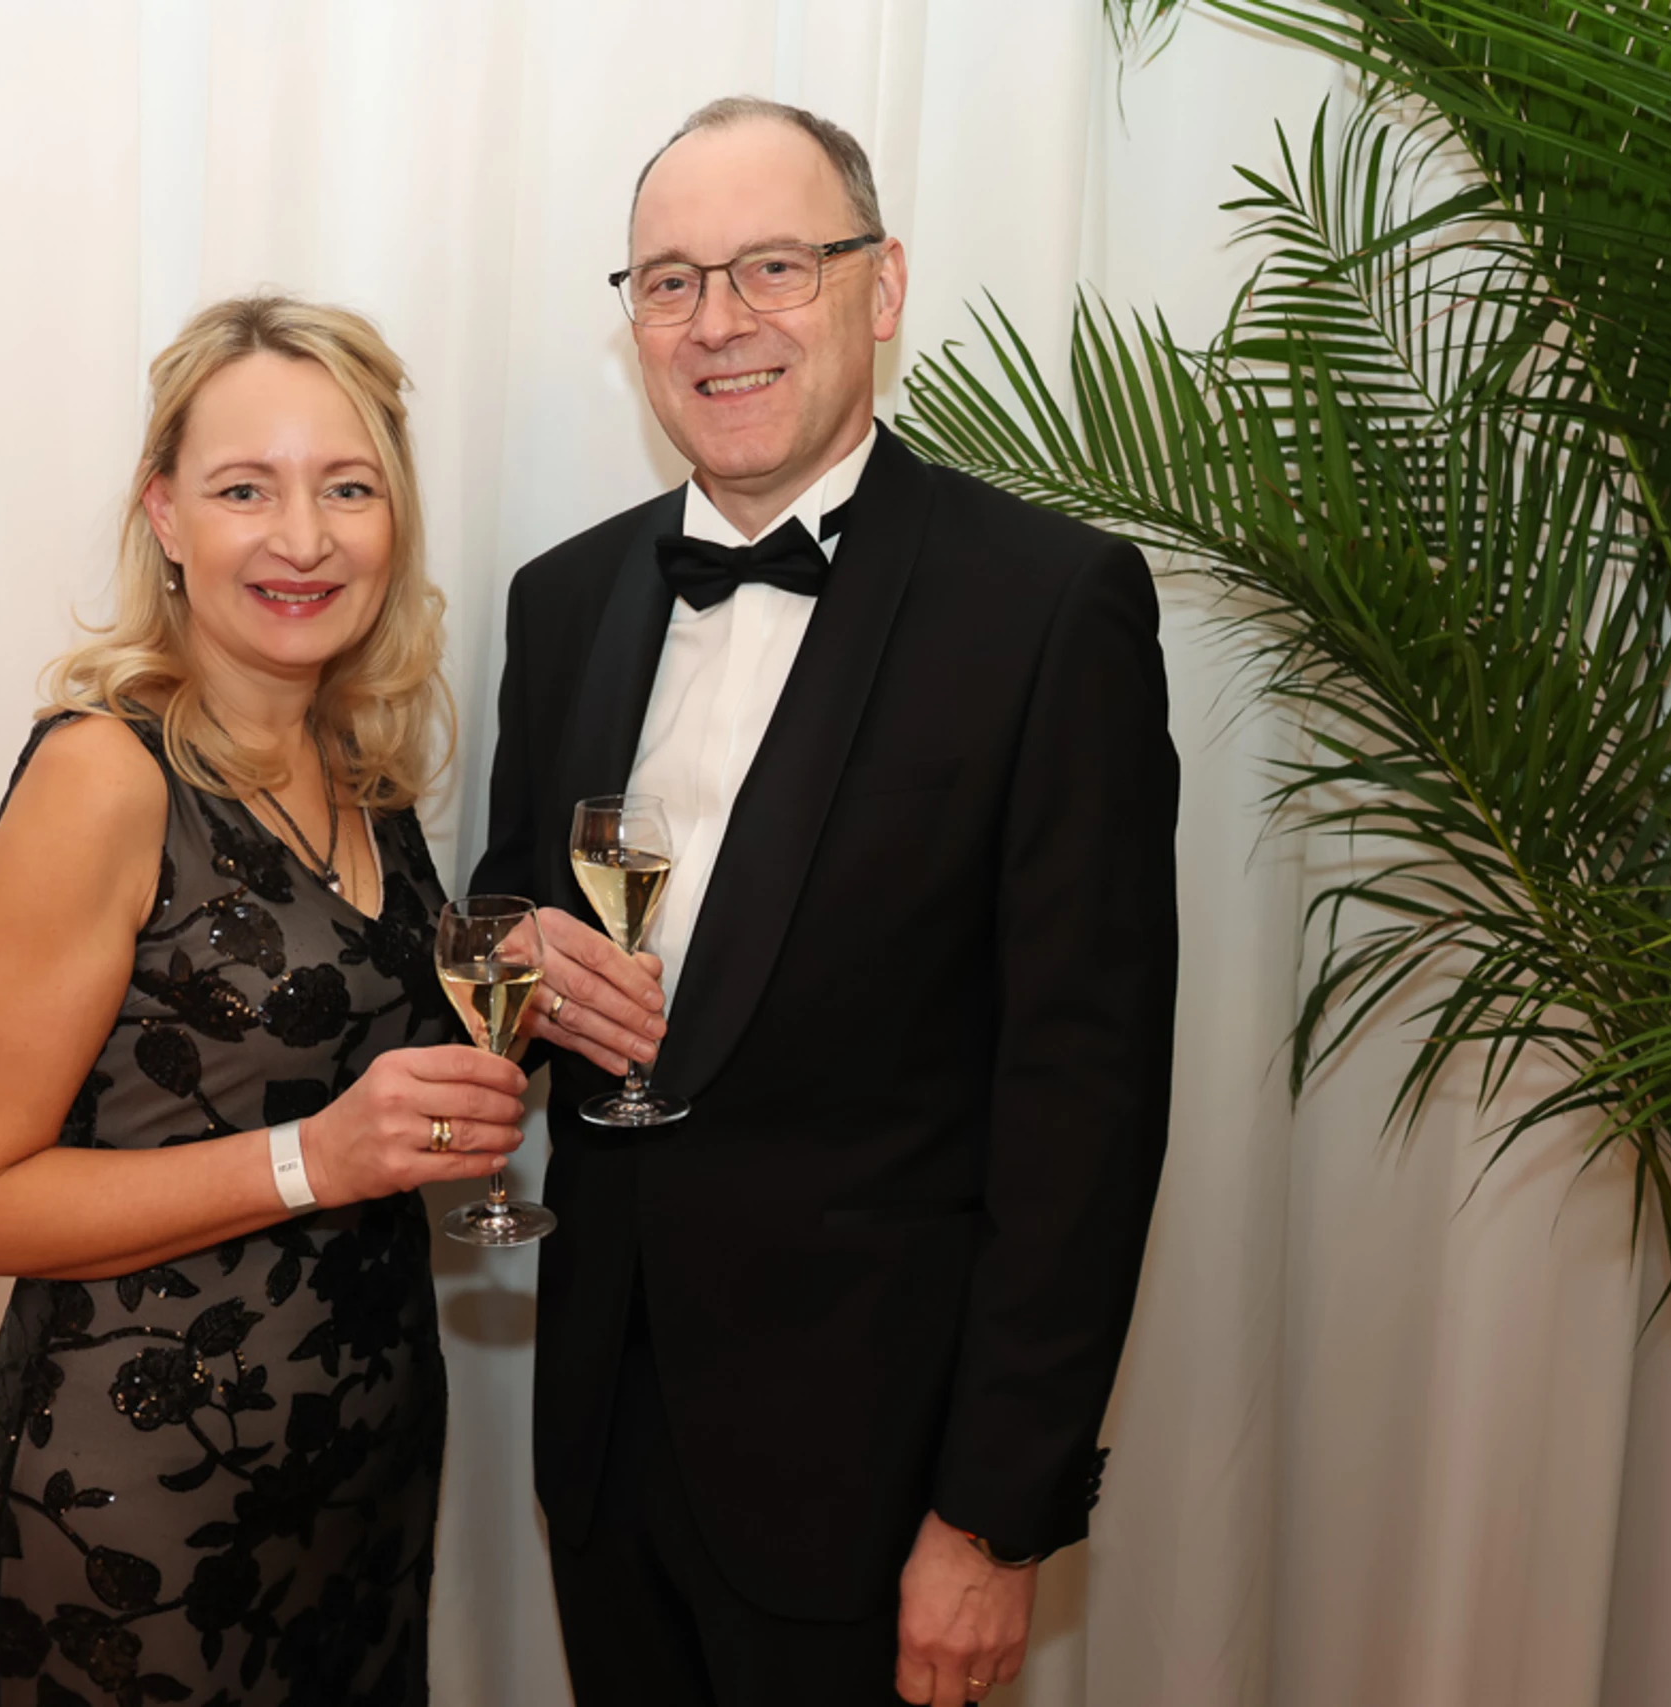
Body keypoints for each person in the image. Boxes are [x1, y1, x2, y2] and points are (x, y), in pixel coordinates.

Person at [474, 98, 1180, 1706]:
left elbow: (1084, 1106)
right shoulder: (563, 596)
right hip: (603, 1442)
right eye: (670, 281)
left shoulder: (1048, 605)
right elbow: (513, 898)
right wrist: (519, 953)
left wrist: (992, 1519)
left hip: (881, 1483)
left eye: (774, 266)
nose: (717, 320)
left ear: (883, 285)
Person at [0, 294, 526, 1707]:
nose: (303, 538)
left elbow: (356, 1078)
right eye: (247, 488)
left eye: (348, 488)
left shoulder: (363, 769)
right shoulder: (104, 776)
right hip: (142, 1521)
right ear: (166, 516)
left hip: (362, 1487)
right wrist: (316, 1160)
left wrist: (528, 996)